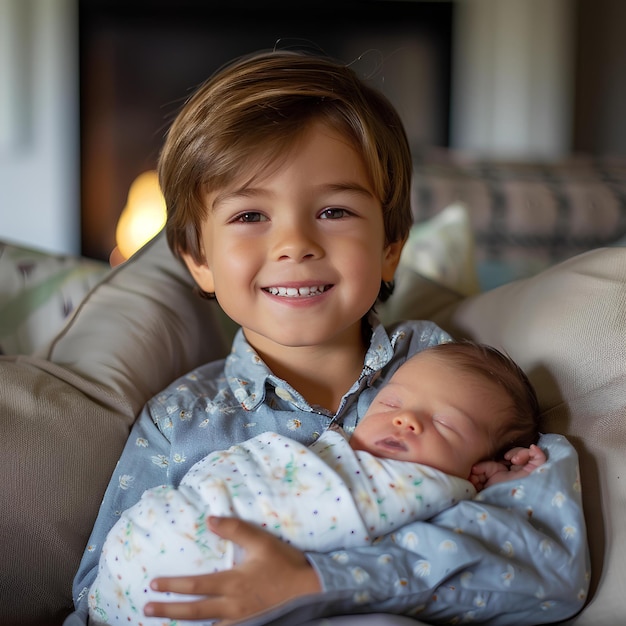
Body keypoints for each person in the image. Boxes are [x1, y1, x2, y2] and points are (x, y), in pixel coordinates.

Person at [66, 49, 587, 626]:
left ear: (391, 248)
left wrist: (323, 583)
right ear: (199, 260)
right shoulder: (181, 422)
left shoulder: (456, 378)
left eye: (335, 211)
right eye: (249, 216)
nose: (295, 244)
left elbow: (548, 561)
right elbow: (101, 595)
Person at [86, 341, 546, 625]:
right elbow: (90, 587)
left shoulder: (433, 351)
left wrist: (313, 583)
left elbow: (541, 569)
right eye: (390, 405)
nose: (405, 418)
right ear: (198, 261)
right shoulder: (177, 417)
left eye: (445, 424)